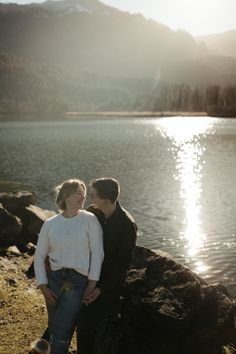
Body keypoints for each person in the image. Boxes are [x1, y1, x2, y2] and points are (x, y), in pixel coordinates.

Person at [34, 178, 104, 354]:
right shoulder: (50, 224)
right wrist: (43, 286)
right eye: (78, 193)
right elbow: (39, 255)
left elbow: (98, 253)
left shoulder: (90, 220)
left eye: (84, 194)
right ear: (65, 195)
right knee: (54, 327)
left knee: (62, 331)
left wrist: (91, 284)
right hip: (54, 280)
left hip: (77, 282)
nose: (83, 197)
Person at [77, 177, 137, 354]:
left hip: (106, 284)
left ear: (106, 201)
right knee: (65, 311)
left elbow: (122, 266)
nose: (90, 199)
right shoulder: (92, 212)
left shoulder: (127, 225)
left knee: (87, 323)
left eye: (93, 195)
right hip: (84, 274)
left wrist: (98, 289)